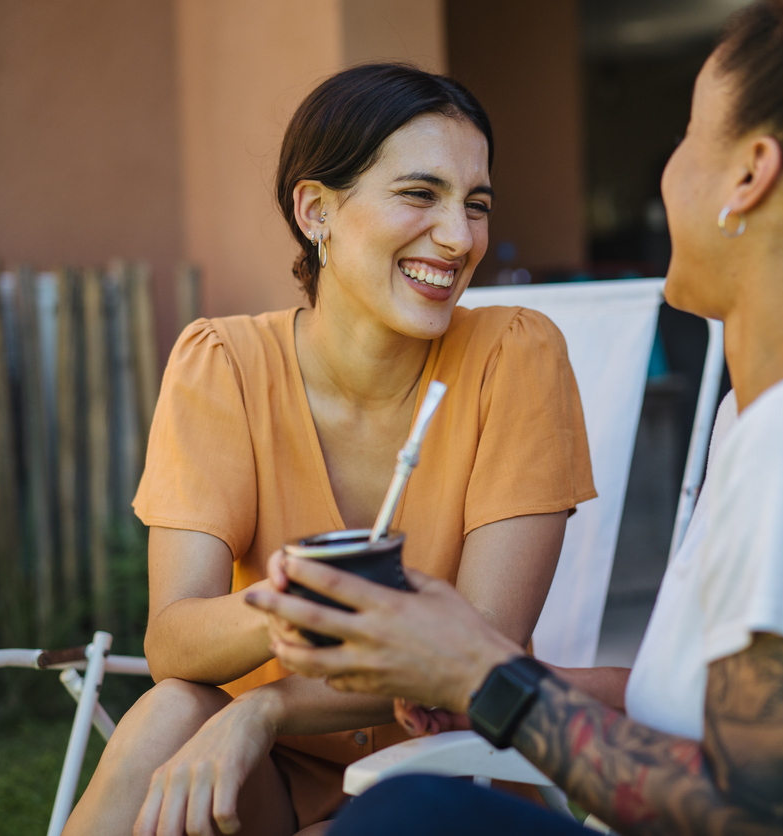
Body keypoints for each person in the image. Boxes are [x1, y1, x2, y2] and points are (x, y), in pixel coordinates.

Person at [246, 1, 783, 834]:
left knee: (410, 822)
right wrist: (485, 673)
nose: (667, 175)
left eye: (686, 139)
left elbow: (763, 816)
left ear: (749, 175)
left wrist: (482, 671)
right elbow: (716, 703)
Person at [63, 64, 596, 836]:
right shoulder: (223, 365)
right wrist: (295, 603)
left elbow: (482, 650)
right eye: (421, 194)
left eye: (475, 205)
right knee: (171, 709)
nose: (459, 238)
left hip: (446, 775)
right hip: (262, 784)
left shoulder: (516, 356)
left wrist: (271, 706)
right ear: (316, 210)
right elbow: (173, 639)